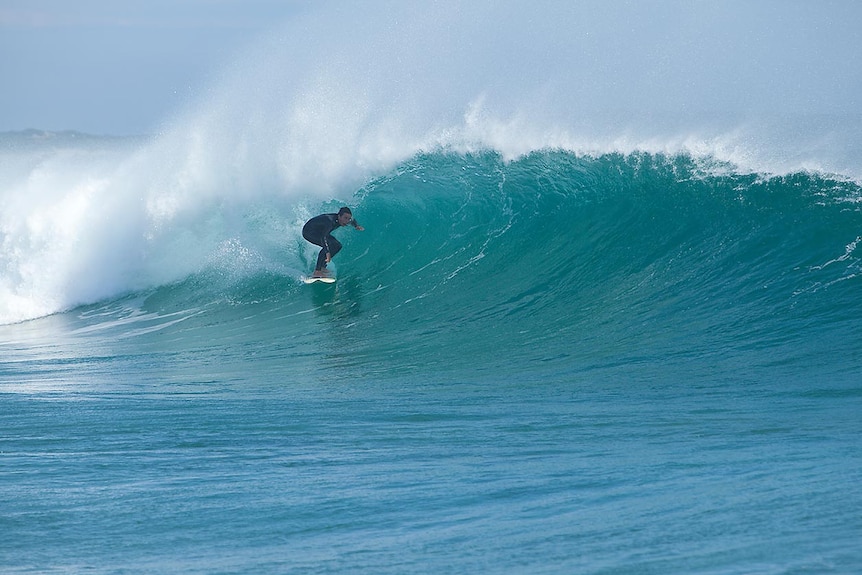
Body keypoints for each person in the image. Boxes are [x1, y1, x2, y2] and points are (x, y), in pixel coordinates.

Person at [302, 207, 364, 277]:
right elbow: (323, 238)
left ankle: (322, 267)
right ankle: (317, 271)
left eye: (348, 218)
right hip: (308, 232)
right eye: (345, 218)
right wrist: (327, 252)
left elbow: (352, 220)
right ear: (339, 216)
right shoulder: (330, 222)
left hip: (319, 232)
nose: (347, 221)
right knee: (328, 246)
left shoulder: (343, 220)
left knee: (338, 246)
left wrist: (356, 226)